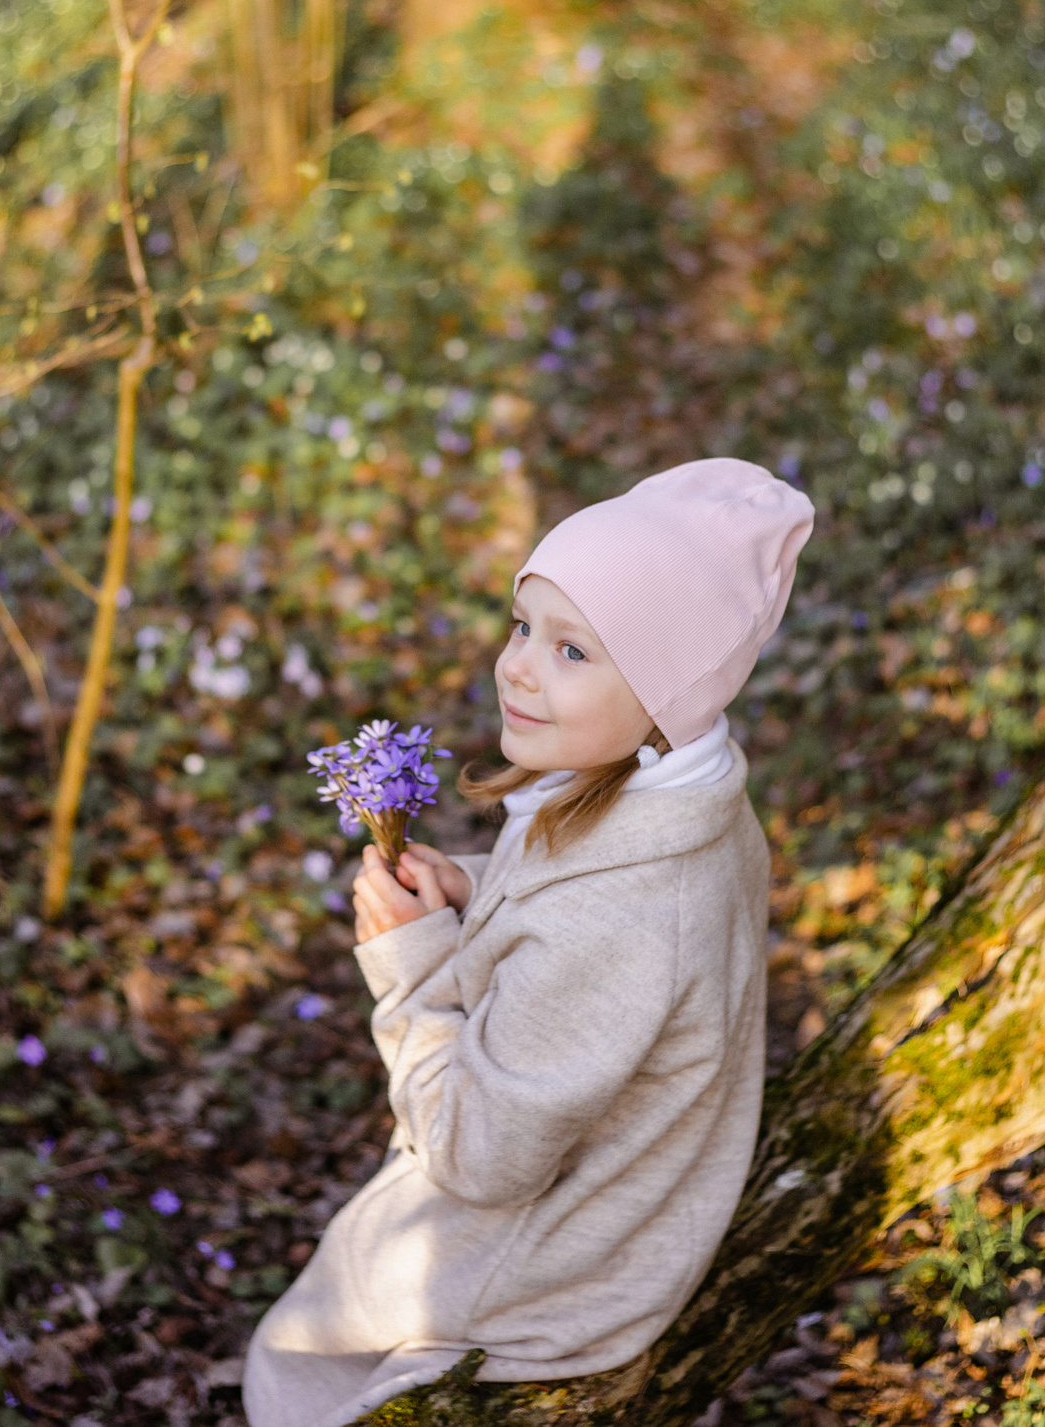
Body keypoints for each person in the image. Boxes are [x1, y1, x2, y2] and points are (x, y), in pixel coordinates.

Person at [243, 457, 816, 1427]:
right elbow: (569, 899)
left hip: (562, 1264)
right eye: (523, 626)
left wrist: (410, 963)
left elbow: (481, 1159)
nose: (516, 665)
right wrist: (475, 888)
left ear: (665, 693)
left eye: (572, 650)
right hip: (612, 1198)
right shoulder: (669, 788)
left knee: (312, 1341)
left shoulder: (627, 918)